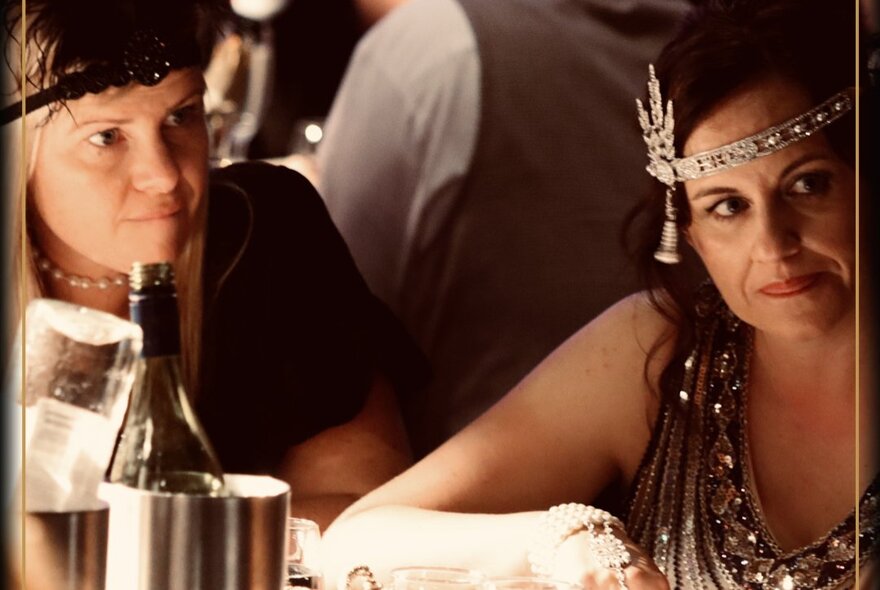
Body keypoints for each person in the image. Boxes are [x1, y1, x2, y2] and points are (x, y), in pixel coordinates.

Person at [319, 1, 877, 588]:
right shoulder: (658, 351)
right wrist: (562, 538)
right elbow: (355, 539)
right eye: (728, 207)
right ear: (689, 234)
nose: (773, 243)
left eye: (808, 184)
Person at [1, 0, 429, 530]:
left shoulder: (263, 233)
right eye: (106, 137)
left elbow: (362, 507)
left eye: (181, 116)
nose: (163, 175)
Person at [317, 0, 693, 457]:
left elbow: (336, 322)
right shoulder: (713, 39)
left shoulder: (434, 46)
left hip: (456, 497)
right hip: (686, 479)